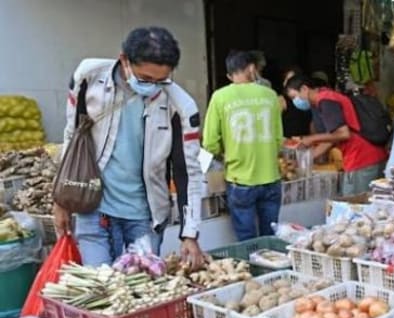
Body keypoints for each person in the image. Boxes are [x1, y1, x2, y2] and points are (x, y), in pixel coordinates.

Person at [54, 26, 204, 267]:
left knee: (140, 293)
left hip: (146, 217)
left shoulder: (181, 107)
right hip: (94, 206)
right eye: (145, 78)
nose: (153, 86)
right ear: (124, 59)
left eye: (161, 80)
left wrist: (190, 234)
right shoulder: (88, 78)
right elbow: (72, 138)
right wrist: (61, 201)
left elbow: (188, 172)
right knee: (101, 290)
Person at [203, 51, 284, 241]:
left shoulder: (220, 97)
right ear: (252, 69)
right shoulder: (270, 95)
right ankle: (273, 269)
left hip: (240, 180)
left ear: (230, 76)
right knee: (270, 236)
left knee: (247, 240)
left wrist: (225, 151)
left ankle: (251, 268)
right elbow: (279, 139)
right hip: (271, 178)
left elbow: (210, 143)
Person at [285, 75, 388, 195]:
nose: (295, 102)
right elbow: (332, 138)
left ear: (304, 89)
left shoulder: (326, 100)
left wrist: (311, 139)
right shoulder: (326, 98)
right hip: (370, 156)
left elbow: (343, 134)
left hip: (361, 158)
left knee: (354, 204)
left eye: (294, 97)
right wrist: (306, 159)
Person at [280, 66, 312, 138]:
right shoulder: (282, 100)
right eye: (286, 79)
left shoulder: (310, 100)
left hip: (307, 141)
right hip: (288, 142)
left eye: (291, 80)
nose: (287, 83)